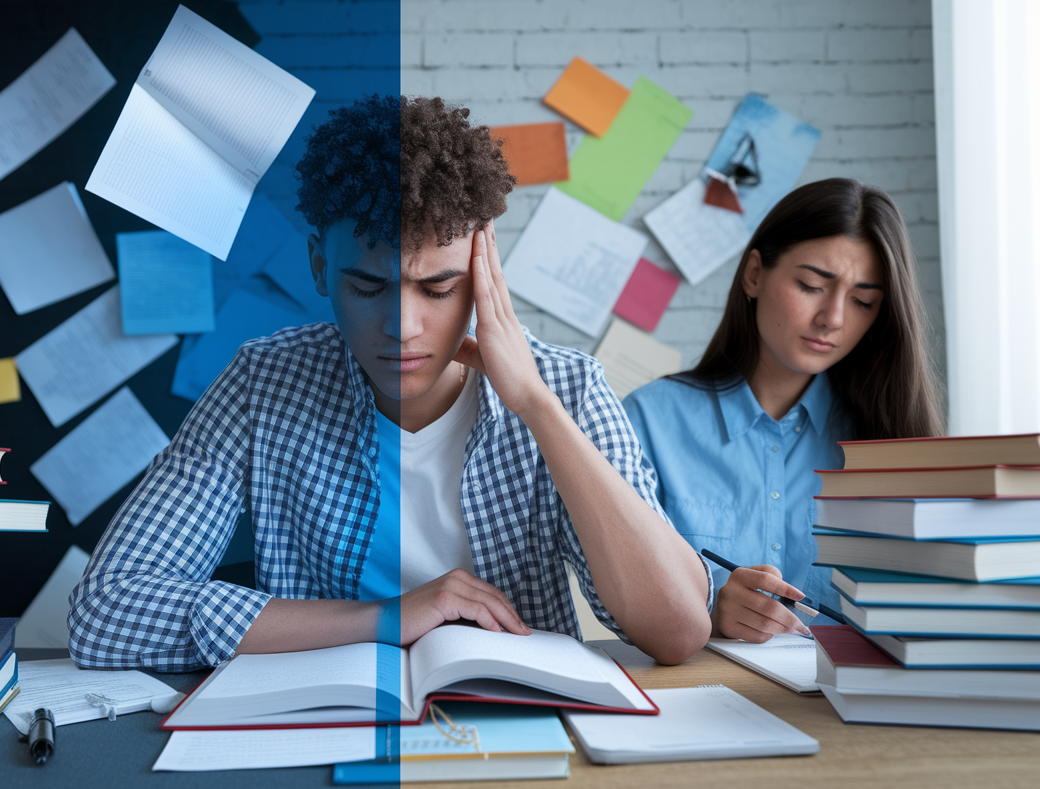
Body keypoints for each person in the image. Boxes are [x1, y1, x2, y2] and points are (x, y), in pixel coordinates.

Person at [68, 95, 712, 673]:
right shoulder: (263, 382)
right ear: (321, 266)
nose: (403, 326)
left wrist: (536, 406)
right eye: (367, 286)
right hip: (320, 724)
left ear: (485, 266)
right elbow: (106, 611)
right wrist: (386, 619)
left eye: (439, 288)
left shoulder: (566, 387)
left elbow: (676, 629)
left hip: (513, 728)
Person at [622, 178, 944, 643]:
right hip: (701, 698)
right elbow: (621, 597)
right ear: (754, 274)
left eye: (862, 301)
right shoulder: (648, 421)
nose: (833, 318)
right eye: (812, 285)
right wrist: (709, 608)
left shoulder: (889, 437)